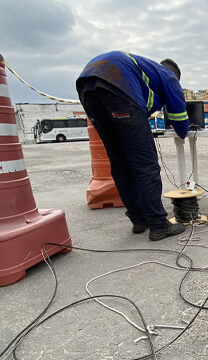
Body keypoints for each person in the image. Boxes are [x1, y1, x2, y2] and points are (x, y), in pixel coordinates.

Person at [76, 51, 189, 240]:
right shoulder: (168, 76)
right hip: (115, 83)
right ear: (176, 77)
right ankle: (158, 223)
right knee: (146, 164)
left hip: (87, 85)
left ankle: (139, 220)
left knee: (120, 162)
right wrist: (184, 131)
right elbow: (179, 115)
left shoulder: (146, 72)